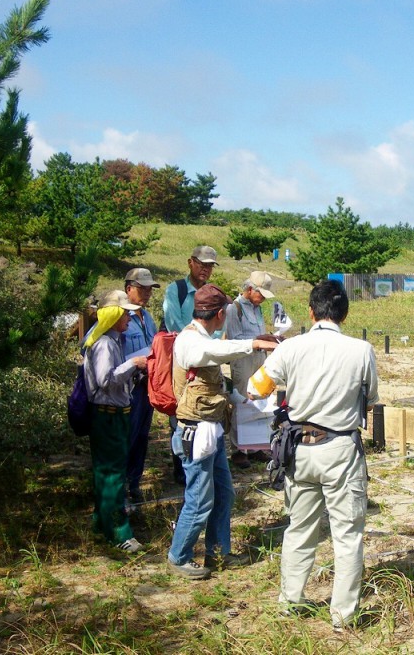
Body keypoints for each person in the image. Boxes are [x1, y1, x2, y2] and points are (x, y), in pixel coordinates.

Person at [248, 280, 378, 627]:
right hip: (340, 449)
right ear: (345, 313)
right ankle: (343, 615)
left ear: (310, 310)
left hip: (299, 449)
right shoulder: (361, 350)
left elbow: (254, 387)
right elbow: (373, 396)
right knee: (347, 535)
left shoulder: (290, 349)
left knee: (299, 529)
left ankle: (290, 601)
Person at [167, 284, 278, 580]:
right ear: (219, 314)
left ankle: (218, 553)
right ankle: (179, 556)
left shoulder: (202, 338)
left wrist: (244, 400)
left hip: (211, 428)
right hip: (195, 431)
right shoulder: (191, 341)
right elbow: (214, 353)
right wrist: (254, 344)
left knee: (224, 494)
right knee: (200, 498)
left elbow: (215, 381)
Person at [83, 290, 148, 552]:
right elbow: (105, 379)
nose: (129, 320)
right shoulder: (105, 344)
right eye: (125, 314)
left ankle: (102, 523)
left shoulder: (110, 340)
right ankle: (119, 532)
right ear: (113, 315)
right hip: (108, 416)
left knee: (105, 472)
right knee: (113, 474)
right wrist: (133, 364)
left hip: (109, 415)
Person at [162, 245, 220, 485]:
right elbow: (174, 324)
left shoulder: (212, 294)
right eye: (201, 264)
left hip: (207, 362)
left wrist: (210, 346)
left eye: (210, 265)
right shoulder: (176, 290)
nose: (205, 269)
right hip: (182, 361)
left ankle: (203, 464)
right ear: (190, 262)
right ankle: (182, 466)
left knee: (203, 410)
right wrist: (204, 342)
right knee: (181, 411)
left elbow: (219, 328)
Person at [224, 271, 277, 469]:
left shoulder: (257, 309)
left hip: (259, 357)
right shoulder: (233, 309)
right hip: (243, 359)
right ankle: (239, 450)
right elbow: (233, 339)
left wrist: (268, 338)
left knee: (260, 398)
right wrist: (258, 342)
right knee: (242, 401)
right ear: (249, 289)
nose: (262, 298)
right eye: (260, 294)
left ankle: (256, 446)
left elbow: (256, 332)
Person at [121, 269, 160, 507]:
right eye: (141, 288)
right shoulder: (120, 316)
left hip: (147, 386)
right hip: (128, 387)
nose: (146, 293)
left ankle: (134, 483)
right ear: (129, 289)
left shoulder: (147, 317)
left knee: (143, 436)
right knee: (128, 435)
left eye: (149, 289)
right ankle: (121, 485)